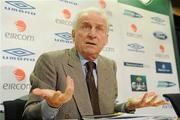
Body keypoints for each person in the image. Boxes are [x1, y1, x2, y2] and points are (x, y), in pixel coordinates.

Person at [22, 7, 167, 120]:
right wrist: (51, 105)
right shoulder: (51, 61)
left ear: (106, 39)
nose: (92, 34)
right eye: (86, 26)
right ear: (73, 34)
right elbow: (29, 115)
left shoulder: (109, 65)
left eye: (99, 28)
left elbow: (103, 111)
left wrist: (128, 106)